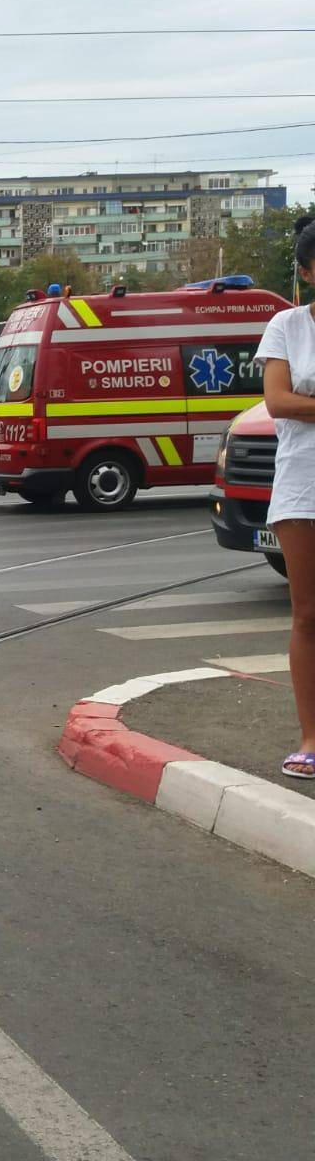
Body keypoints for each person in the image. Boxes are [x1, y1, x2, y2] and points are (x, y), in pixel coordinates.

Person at [258, 214, 315, 778]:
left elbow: (297, 401)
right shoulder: (287, 326)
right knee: (308, 614)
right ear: (307, 272)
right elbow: (277, 401)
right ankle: (311, 737)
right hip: (302, 484)